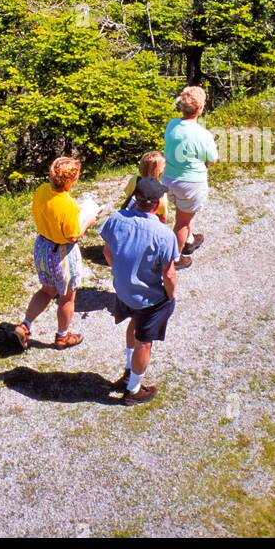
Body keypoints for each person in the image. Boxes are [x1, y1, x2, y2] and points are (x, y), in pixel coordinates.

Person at [99, 176, 178, 406]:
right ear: (156, 204)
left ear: (136, 198)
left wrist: (120, 273)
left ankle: (127, 369)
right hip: (149, 299)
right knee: (145, 341)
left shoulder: (115, 219)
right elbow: (169, 274)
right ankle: (133, 389)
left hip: (123, 292)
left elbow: (107, 252)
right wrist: (170, 297)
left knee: (133, 323)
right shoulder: (163, 234)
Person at [14, 155, 99, 351]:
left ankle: (25, 325)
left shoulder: (42, 190)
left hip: (42, 246)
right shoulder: (67, 204)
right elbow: (73, 236)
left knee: (46, 290)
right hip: (62, 254)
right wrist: (89, 221)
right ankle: (63, 336)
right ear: (71, 180)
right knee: (67, 296)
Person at [163, 85, 219, 270]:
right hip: (191, 182)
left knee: (184, 212)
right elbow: (212, 159)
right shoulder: (203, 135)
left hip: (169, 178)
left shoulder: (172, 124)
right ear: (201, 108)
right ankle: (175, 257)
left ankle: (189, 239)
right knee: (182, 221)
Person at [120, 150, 169, 224]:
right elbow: (163, 216)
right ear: (159, 171)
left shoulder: (134, 180)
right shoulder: (159, 189)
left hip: (132, 217)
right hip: (149, 221)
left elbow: (128, 196)